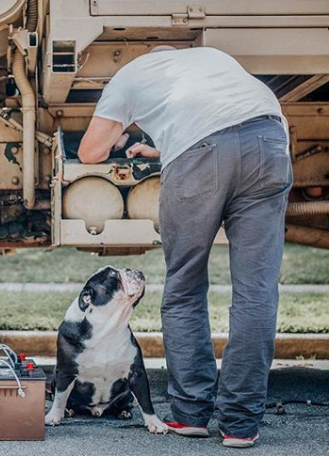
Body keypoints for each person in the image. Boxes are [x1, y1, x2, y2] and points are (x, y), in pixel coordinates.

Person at [77, 45, 292, 448]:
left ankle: (192, 413)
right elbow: (228, 125)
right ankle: (241, 424)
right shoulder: (213, 57)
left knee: (185, 286)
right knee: (257, 292)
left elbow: (91, 151)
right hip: (268, 142)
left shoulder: (127, 76)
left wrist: (126, 133)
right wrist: (165, 147)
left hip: (200, 158)